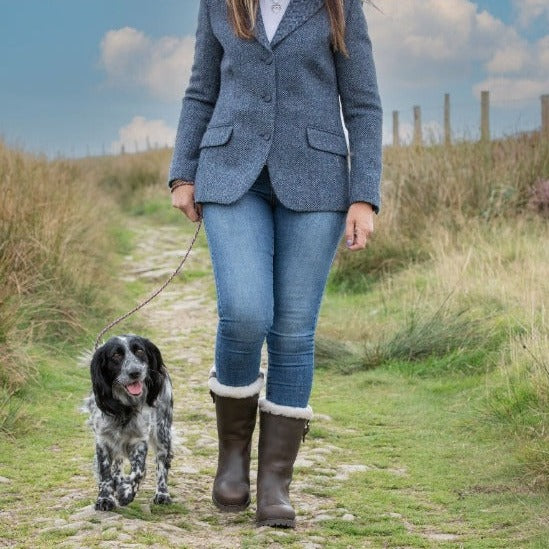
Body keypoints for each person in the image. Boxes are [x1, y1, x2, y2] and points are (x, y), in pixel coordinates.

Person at [168, 0, 382, 529]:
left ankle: (275, 486)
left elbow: (363, 105)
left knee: (291, 332)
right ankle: (233, 457)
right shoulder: (220, 3)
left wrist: (364, 196)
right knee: (243, 312)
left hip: (317, 180)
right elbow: (201, 88)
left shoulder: (339, 6)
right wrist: (182, 173)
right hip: (229, 171)